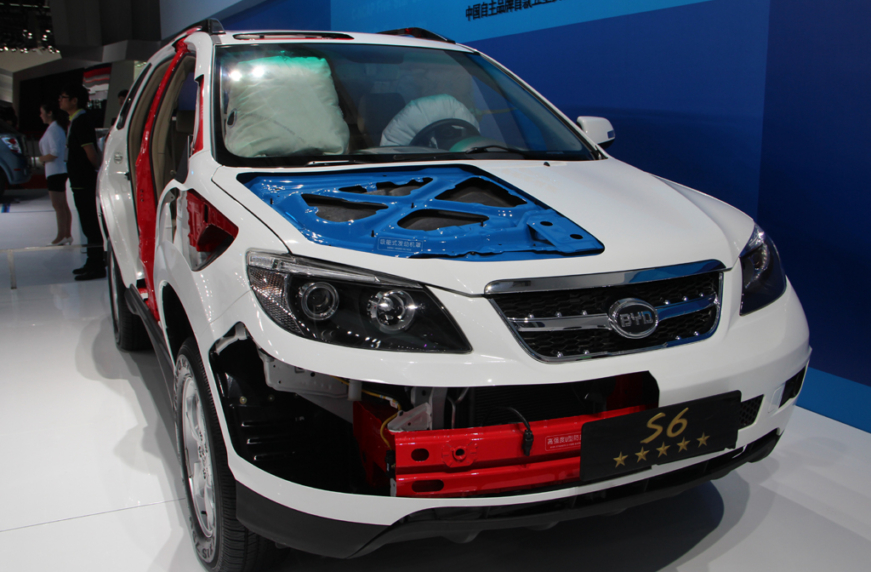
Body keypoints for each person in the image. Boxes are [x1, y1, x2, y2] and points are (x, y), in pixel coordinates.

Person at [58, 83, 104, 280]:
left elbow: (90, 151)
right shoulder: (75, 121)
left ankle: (97, 264)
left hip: (85, 180)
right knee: (87, 223)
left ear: (74, 100)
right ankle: (92, 261)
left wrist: (96, 168)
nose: (60, 101)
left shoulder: (81, 121)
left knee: (90, 223)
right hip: (80, 180)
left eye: (63, 97)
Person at [38, 102, 72, 245]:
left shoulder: (53, 130)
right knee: (62, 205)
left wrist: (41, 159)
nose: (40, 115)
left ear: (49, 113)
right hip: (57, 171)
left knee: (58, 205)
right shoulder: (56, 128)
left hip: (55, 172)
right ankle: (66, 234)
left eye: (42, 112)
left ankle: (62, 235)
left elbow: (55, 153)